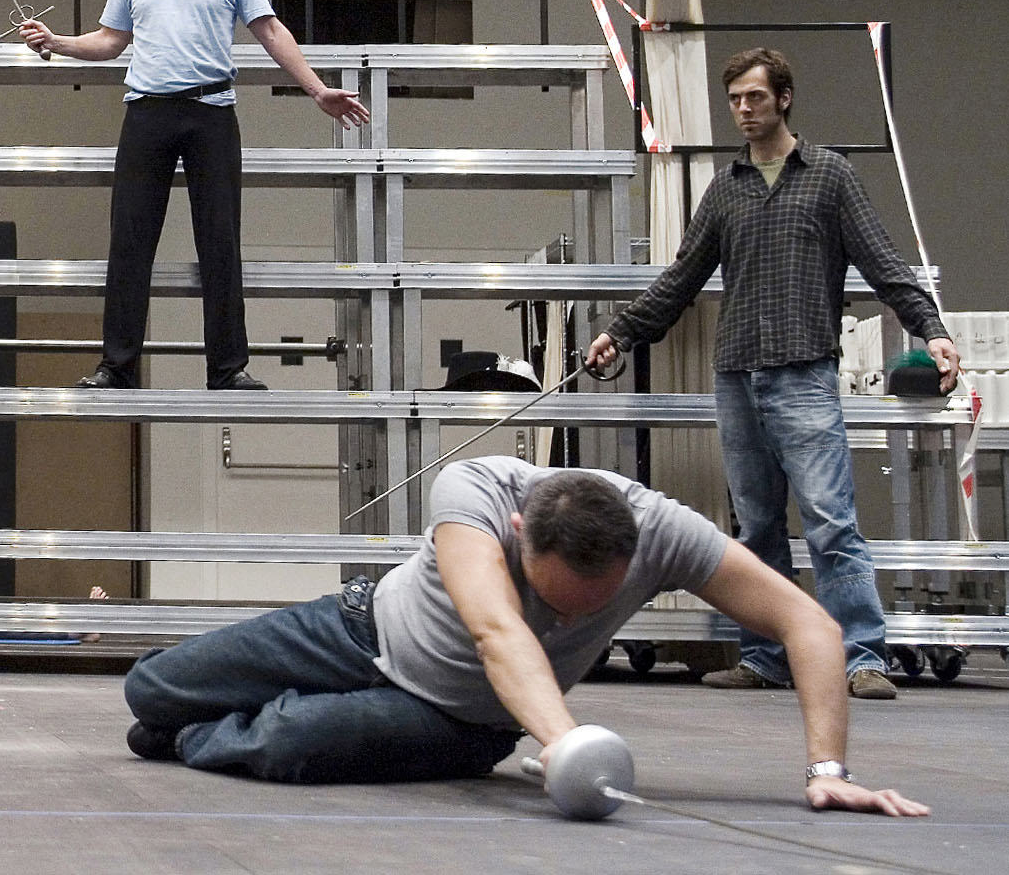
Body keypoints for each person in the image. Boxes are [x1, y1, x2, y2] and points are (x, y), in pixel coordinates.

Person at [122, 458, 929, 817]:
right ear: (518, 533)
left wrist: (829, 768)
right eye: (559, 601)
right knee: (146, 688)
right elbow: (497, 628)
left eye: (594, 607)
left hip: (458, 719)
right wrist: (569, 742)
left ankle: (200, 735)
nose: (573, 621)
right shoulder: (473, 492)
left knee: (292, 738)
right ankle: (179, 715)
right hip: (360, 627)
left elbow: (809, 623)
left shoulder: (664, 532)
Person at [586, 46, 956, 701]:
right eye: (734, 100)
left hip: (806, 375)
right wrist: (621, 333)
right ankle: (764, 655)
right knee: (755, 529)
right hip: (737, 377)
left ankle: (861, 657)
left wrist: (933, 330)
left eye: (755, 97)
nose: (744, 110)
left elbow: (885, 263)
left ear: (784, 97)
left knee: (831, 523)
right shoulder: (724, 188)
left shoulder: (831, 177)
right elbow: (680, 278)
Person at [21, 0, 368, 390]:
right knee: (130, 242)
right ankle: (117, 367)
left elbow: (269, 29)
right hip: (147, 112)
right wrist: (57, 42)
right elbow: (111, 40)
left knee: (220, 243)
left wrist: (317, 89)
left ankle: (227, 369)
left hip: (211, 112)